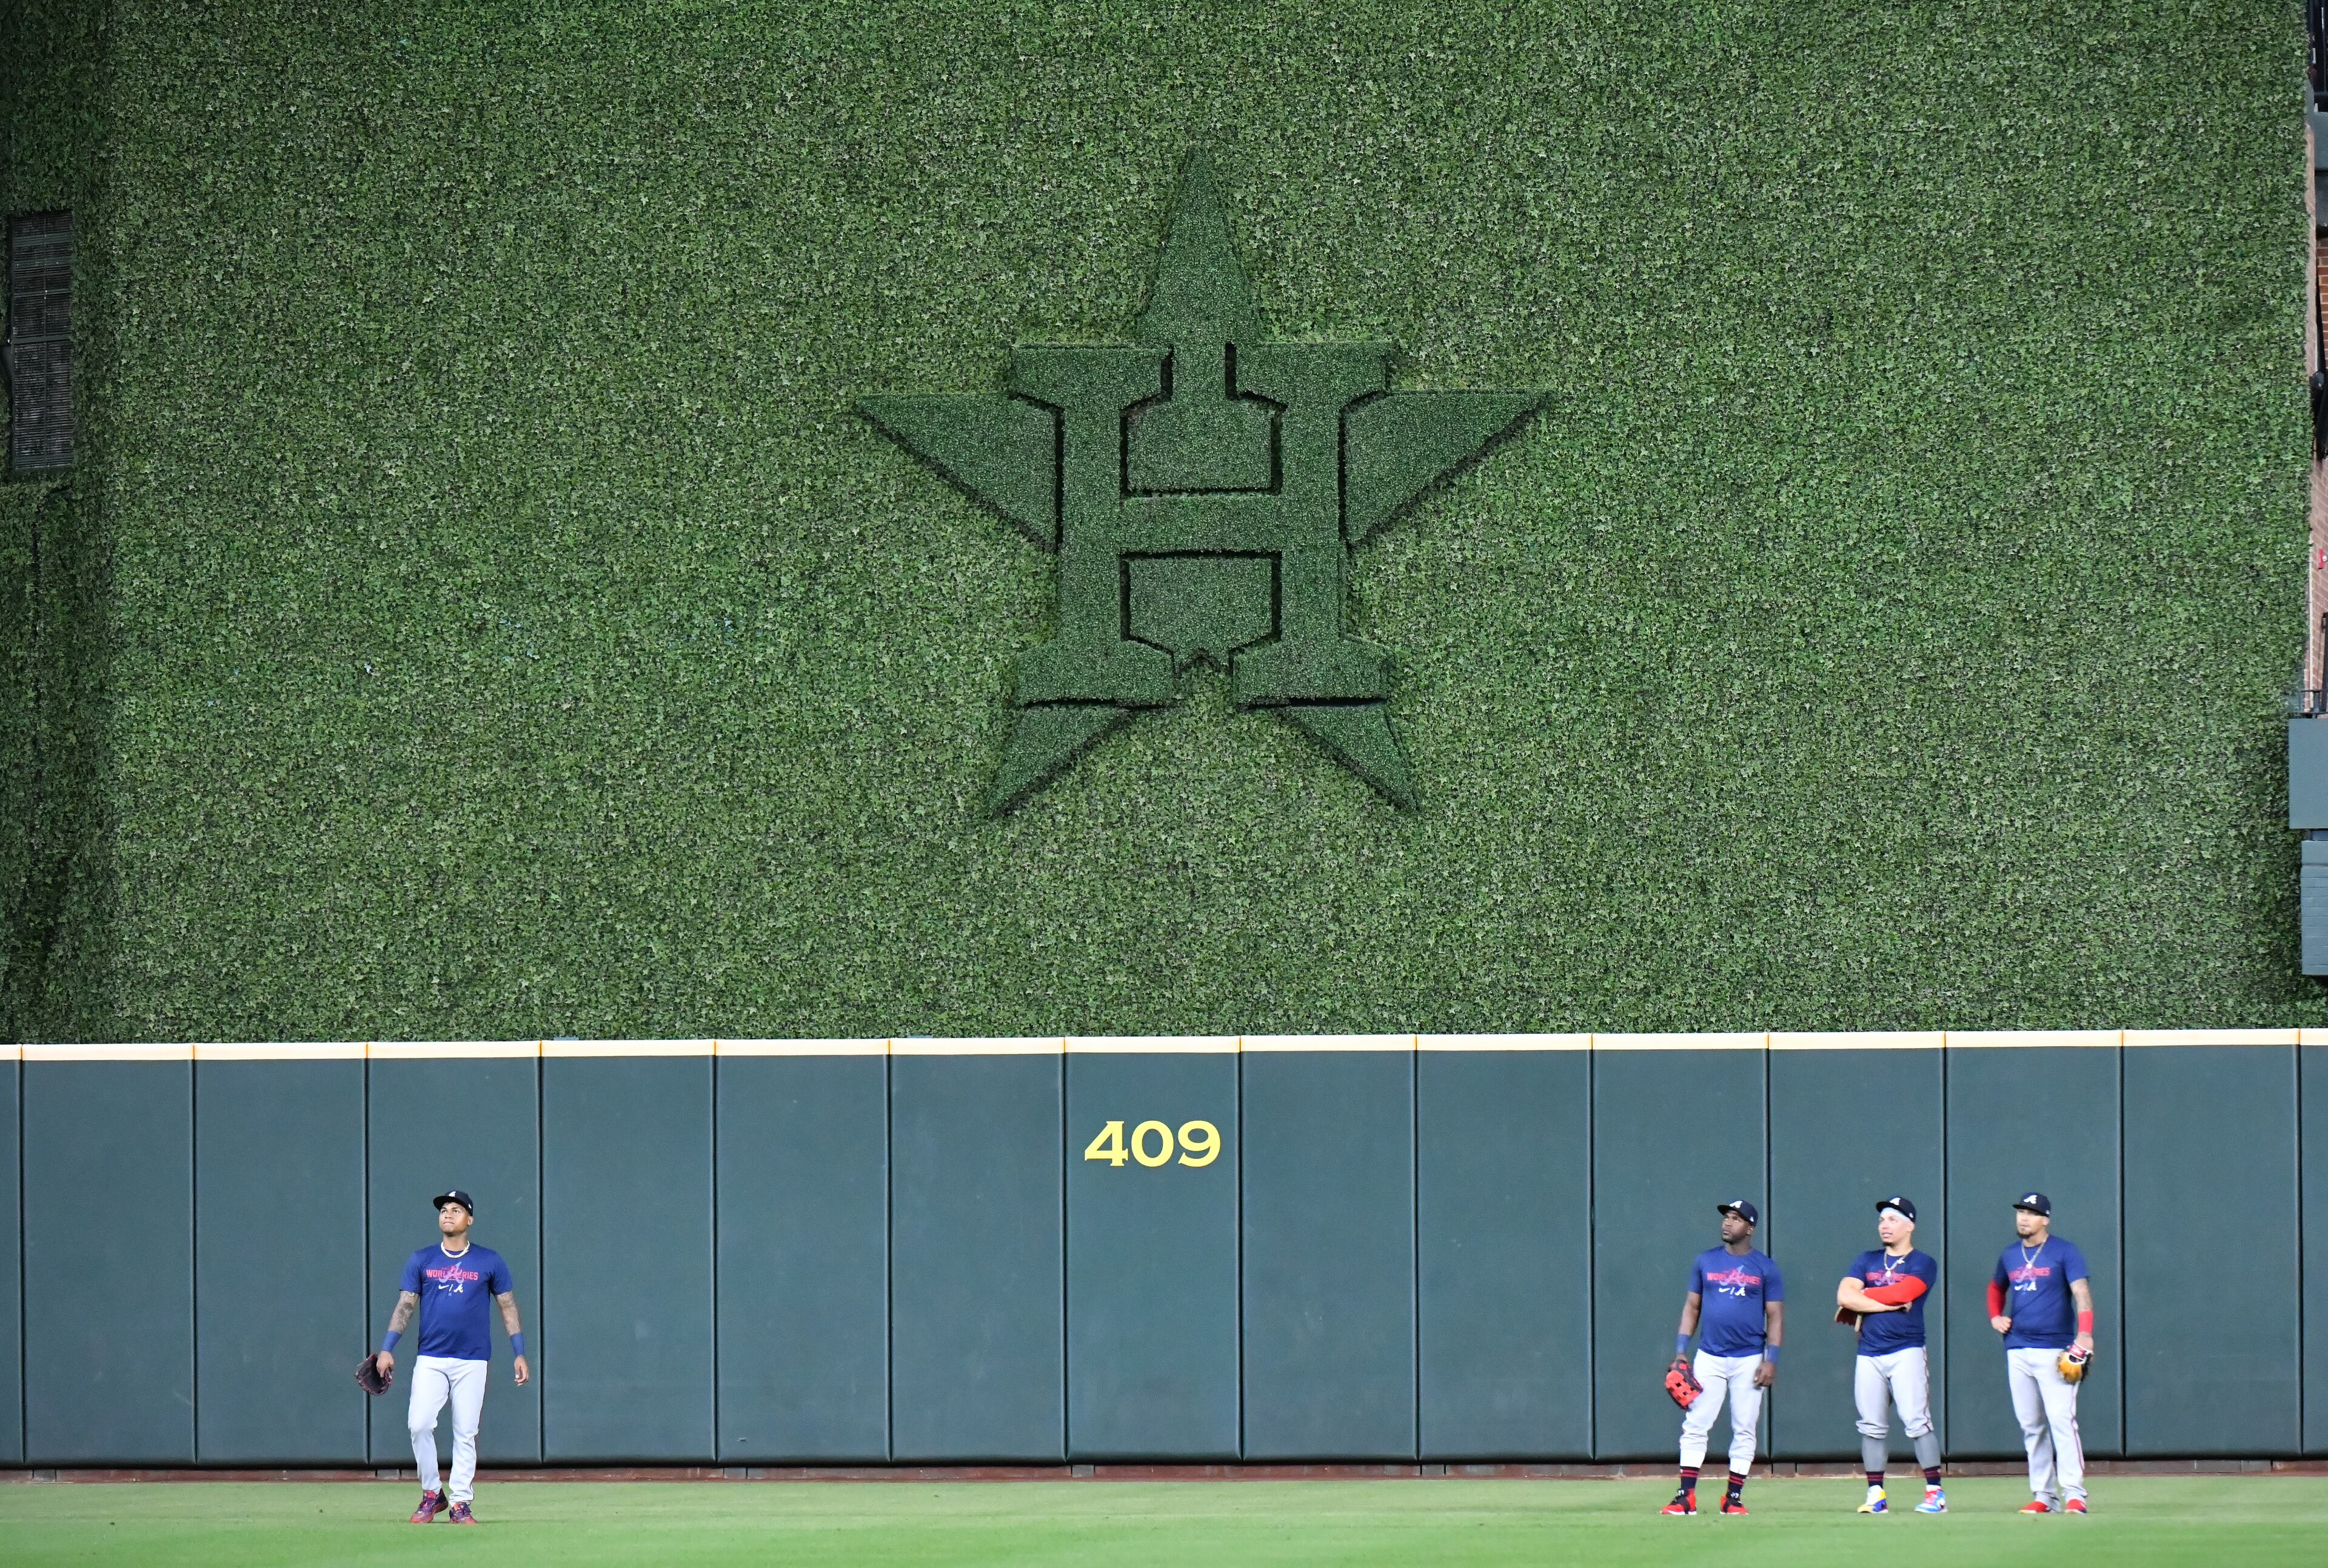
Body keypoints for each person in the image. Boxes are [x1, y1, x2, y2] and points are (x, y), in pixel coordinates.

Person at [373, 1190, 530, 1525]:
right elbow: (405, 1306)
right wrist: (387, 1348)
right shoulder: (422, 1260)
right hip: (431, 1357)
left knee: (465, 1432)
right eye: (444, 1210)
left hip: (473, 1360)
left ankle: (460, 1502)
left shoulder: (489, 1261)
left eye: (456, 1210)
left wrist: (519, 1352)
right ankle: (433, 1493)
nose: (448, 1214)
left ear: (469, 1219)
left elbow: (508, 1306)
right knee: (419, 1424)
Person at [1661, 1198, 1784, 1516]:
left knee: (1745, 1427)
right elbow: (1692, 1307)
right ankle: (1685, 1496)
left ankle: (1733, 1498)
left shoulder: (1765, 1267)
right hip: (1710, 1356)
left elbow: (1775, 1315)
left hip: (1750, 1359)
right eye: (1726, 1217)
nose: (1727, 1223)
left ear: (1750, 1228)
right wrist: (1680, 1353)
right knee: (1697, 1423)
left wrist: (1772, 1359)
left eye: (1736, 1219)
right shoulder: (1706, 1261)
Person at [1835, 1194, 1943, 1515]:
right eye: (1882, 1219)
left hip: (1906, 1350)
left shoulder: (1923, 1262)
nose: (1885, 1225)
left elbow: (1905, 1292)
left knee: (1917, 1421)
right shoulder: (1866, 1259)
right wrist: (1887, 1303)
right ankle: (1876, 1494)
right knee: (1871, 1425)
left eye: (1893, 1219)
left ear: (1910, 1226)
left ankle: (1935, 1492)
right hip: (1869, 1352)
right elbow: (1844, 1295)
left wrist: (1863, 1296)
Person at [1988, 1191, 2094, 1515]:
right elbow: (1996, 1287)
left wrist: (2085, 1333)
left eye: (2032, 1213)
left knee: (2062, 1420)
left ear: (2045, 1219)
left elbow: (2082, 1293)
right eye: (2021, 1212)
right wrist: (1995, 1315)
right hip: (2017, 1349)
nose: (2024, 1218)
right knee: (2031, 1424)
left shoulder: (2065, 1251)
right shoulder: (2009, 1255)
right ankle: (2044, 1495)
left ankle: (2074, 1494)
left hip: (2055, 1348)